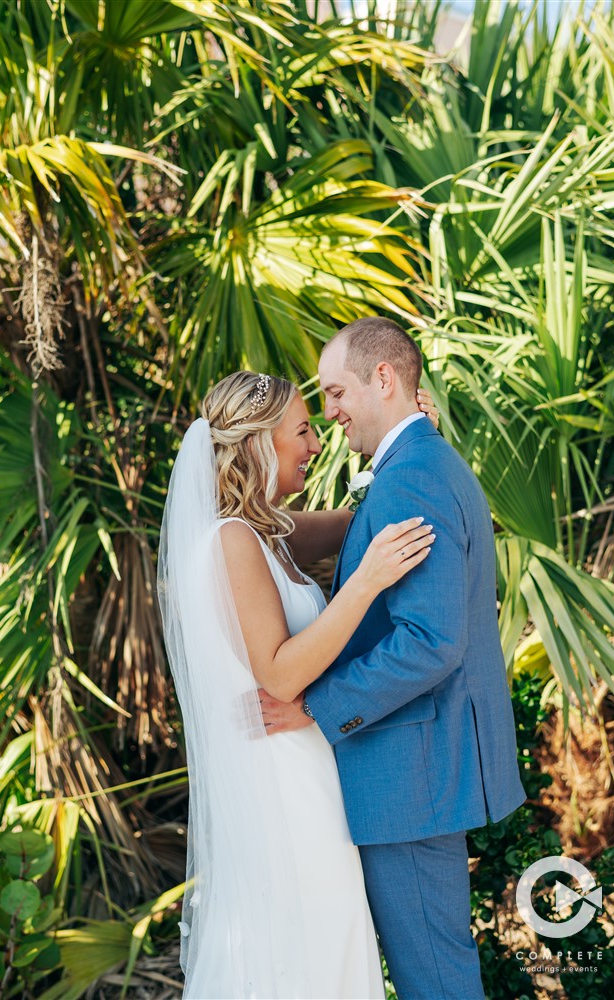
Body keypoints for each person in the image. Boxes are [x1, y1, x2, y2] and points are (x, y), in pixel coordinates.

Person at [260, 317, 527, 1000]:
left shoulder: (412, 478)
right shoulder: (417, 466)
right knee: (435, 966)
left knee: (434, 977)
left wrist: (316, 709)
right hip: (420, 768)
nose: (329, 414)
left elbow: (429, 642)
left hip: (411, 775)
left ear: (385, 379)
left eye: (335, 392)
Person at [157, 369, 439, 999]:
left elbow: (357, 520)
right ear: (259, 443)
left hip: (309, 770)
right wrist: (366, 581)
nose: (316, 444)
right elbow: (279, 672)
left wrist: (413, 437)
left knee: (327, 941)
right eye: (304, 431)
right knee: (308, 946)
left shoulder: (270, 533)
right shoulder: (232, 541)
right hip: (282, 788)